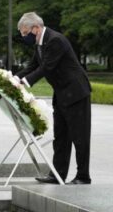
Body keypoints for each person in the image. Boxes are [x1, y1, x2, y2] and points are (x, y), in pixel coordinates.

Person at [15, 12, 92, 185]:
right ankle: (57, 175)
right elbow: (32, 66)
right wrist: (13, 79)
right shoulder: (40, 43)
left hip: (76, 93)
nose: (24, 37)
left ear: (36, 28)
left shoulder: (55, 40)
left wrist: (23, 82)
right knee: (61, 136)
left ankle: (83, 176)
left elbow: (47, 68)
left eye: (26, 33)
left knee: (80, 137)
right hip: (62, 94)